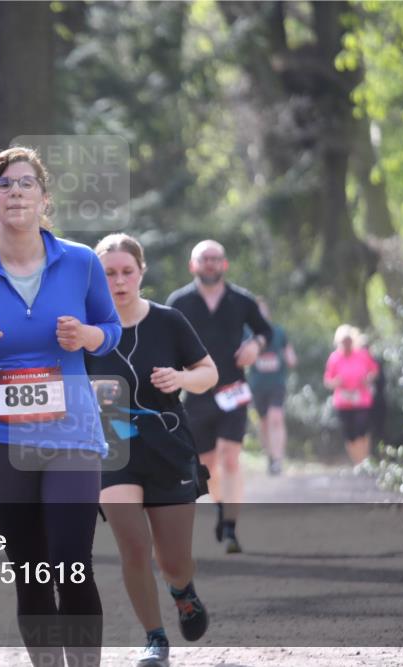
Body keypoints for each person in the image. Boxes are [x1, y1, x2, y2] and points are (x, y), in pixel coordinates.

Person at [0, 147, 121, 667]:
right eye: (4, 185)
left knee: (71, 563)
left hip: (73, 433)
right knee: (31, 567)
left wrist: (87, 335)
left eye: (26, 184)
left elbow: (112, 332)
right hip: (2, 437)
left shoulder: (80, 262)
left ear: (43, 198)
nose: (16, 192)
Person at [85, 234, 219, 667]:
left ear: (141, 273)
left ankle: (182, 591)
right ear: (95, 277)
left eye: (127, 272)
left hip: (167, 446)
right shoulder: (84, 331)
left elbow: (208, 372)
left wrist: (181, 379)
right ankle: (155, 638)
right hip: (112, 447)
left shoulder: (169, 321)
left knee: (174, 560)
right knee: (133, 546)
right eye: (109, 273)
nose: (119, 281)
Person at [166, 240, 272, 554]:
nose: (210, 264)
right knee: (207, 463)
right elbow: (166, 341)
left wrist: (255, 346)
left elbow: (264, 331)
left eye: (215, 259)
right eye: (204, 259)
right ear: (193, 265)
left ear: (224, 264)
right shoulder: (179, 302)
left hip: (234, 390)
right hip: (196, 393)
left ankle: (230, 527)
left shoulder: (241, 300)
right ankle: (221, 506)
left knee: (230, 456)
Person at [247, 298, 297, 476]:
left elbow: (291, 357)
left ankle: (278, 459)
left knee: (276, 417)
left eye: (263, 311)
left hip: (277, 383)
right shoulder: (248, 334)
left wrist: (289, 358)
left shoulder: (279, 332)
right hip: (258, 385)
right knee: (265, 423)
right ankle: (270, 455)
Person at [323, 324, 379, 465]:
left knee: (362, 429)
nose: (346, 344)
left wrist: (367, 379)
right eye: (343, 341)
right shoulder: (334, 358)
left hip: (361, 399)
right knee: (349, 433)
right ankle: (357, 462)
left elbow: (374, 371)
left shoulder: (362, 355)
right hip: (343, 401)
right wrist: (336, 382)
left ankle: (364, 459)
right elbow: (327, 380)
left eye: (349, 341)